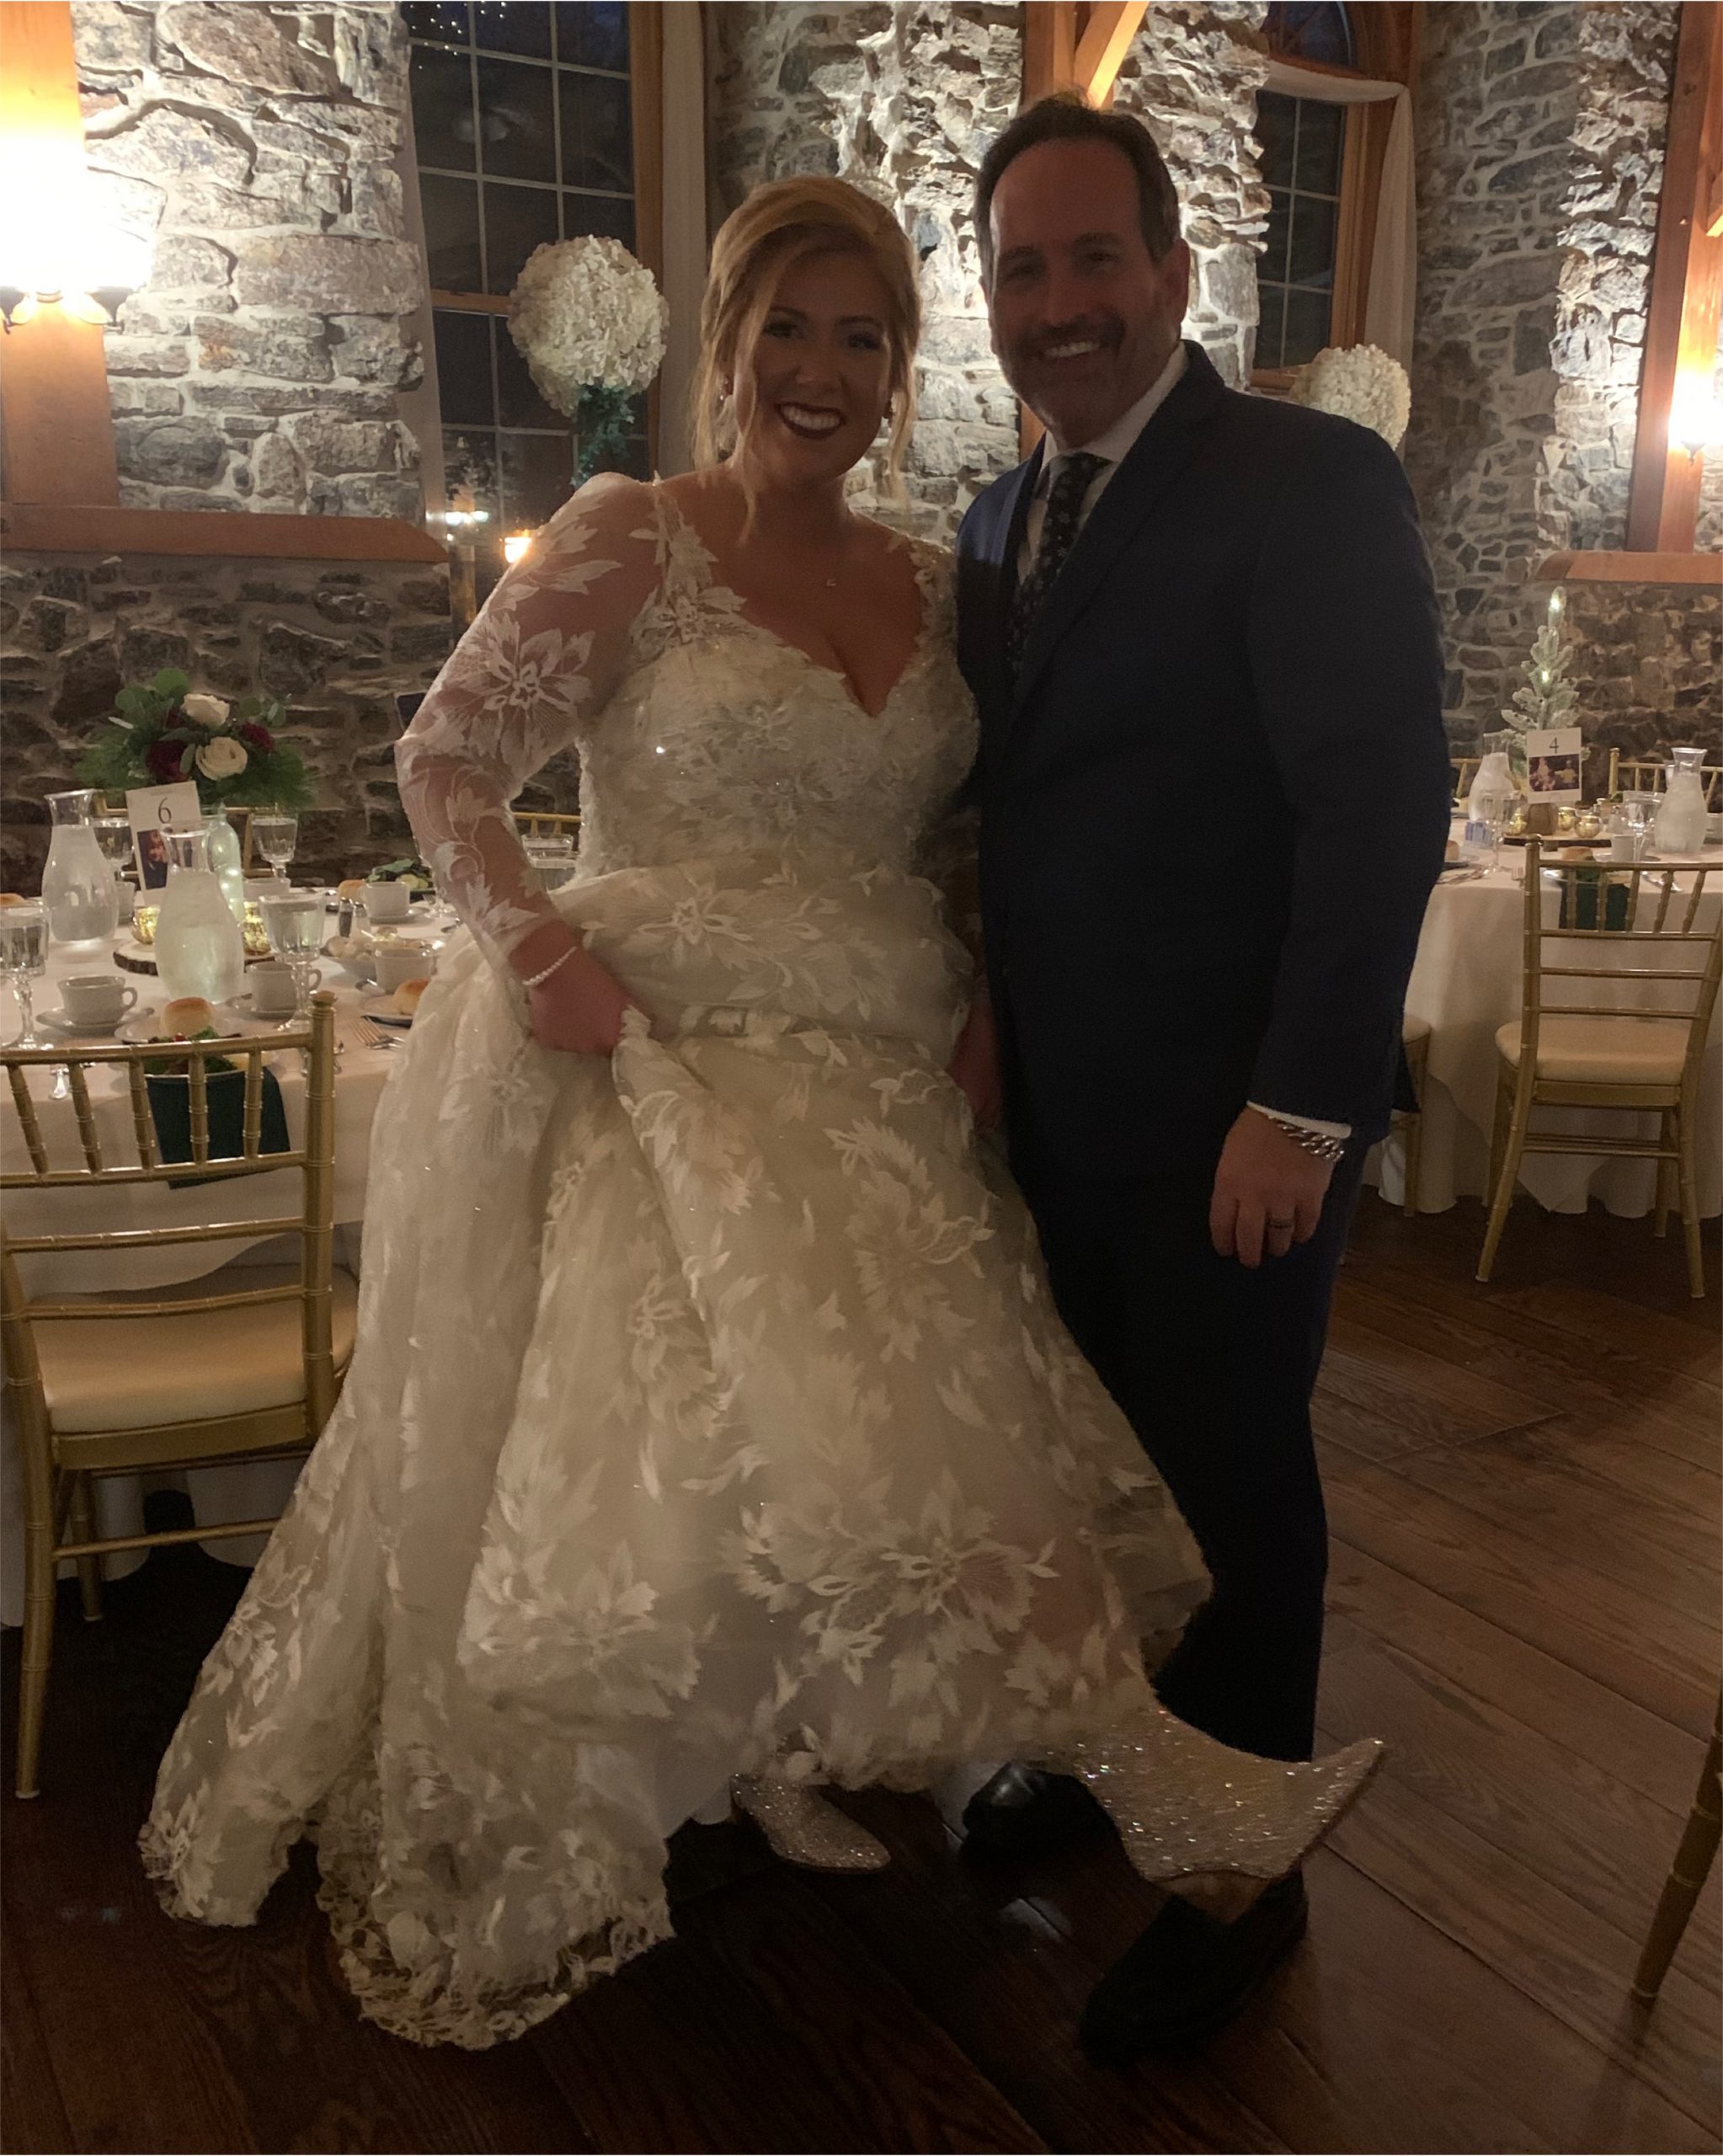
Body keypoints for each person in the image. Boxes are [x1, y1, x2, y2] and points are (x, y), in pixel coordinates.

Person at [141, 175, 1377, 2051]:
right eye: (787, 327)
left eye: (862, 336)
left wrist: (984, 1011)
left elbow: (969, 835)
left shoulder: (940, 575)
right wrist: (535, 949)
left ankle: (1079, 1779)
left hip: (884, 1070)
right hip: (654, 1051)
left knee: (930, 1444)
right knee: (710, 1460)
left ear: (901, 368)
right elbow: (445, 756)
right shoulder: (629, 532)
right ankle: (1091, 1789)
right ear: (723, 346)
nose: (821, 368)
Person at [952, 97, 1449, 2063]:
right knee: (1096, 1468)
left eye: (1097, 257)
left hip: (1237, 1121)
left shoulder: (1306, 479)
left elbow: (1376, 808)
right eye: (1023, 268)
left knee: (1231, 1484)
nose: (1060, 302)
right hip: (1052, 1116)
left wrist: (1304, 1108)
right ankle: (1109, 1754)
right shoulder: (998, 516)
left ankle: (1245, 1868)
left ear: (1172, 270)